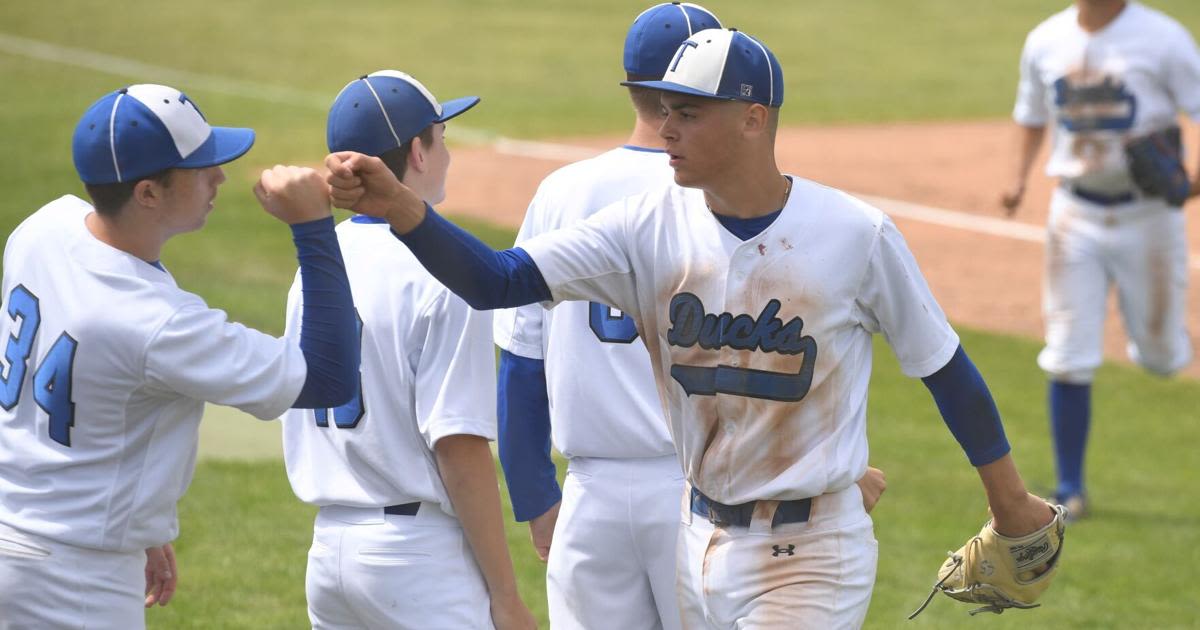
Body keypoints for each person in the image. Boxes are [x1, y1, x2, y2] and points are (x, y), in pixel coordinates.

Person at [325, 28, 1058, 628]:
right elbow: (497, 280)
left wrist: (1009, 500)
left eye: (690, 112)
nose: (667, 129)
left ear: (753, 117)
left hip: (811, 553)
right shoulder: (640, 228)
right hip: (694, 540)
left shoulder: (853, 235)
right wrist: (404, 211)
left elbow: (944, 368)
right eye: (666, 110)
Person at [495, 5, 885, 629]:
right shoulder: (718, 194)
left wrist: (536, 495)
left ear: (630, 85)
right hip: (701, 500)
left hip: (591, 494)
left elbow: (520, 357)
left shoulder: (562, 191)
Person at [0, 84, 364, 628]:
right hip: (73, 583)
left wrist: (137, 526)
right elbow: (329, 378)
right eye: (201, 167)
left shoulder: (42, 228)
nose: (219, 177)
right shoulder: (156, 322)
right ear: (148, 193)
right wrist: (312, 228)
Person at [279, 71, 536, 630]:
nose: (448, 152)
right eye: (441, 137)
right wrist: (506, 595)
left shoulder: (317, 266)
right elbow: (460, 447)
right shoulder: (449, 272)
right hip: (416, 562)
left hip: (329, 554)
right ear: (417, 152)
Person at [1000, 0, 1200, 519]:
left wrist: (1194, 178)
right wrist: (1018, 177)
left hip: (1150, 217)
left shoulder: (1163, 38)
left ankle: (1172, 343)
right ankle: (1071, 488)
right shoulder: (1046, 39)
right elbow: (1031, 115)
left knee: (1160, 359)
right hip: (1075, 215)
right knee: (1067, 349)